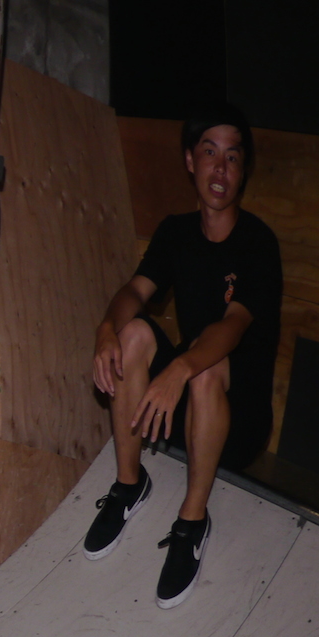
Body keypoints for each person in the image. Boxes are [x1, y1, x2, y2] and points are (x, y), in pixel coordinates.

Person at [83, 109, 281, 607]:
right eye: (209, 153)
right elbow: (135, 290)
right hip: (181, 407)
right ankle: (129, 486)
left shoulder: (258, 243)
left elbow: (232, 326)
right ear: (190, 161)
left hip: (236, 420)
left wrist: (180, 368)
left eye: (232, 157)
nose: (220, 169)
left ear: (243, 170)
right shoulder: (176, 232)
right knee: (132, 333)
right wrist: (105, 329)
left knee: (204, 366)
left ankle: (192, 521)